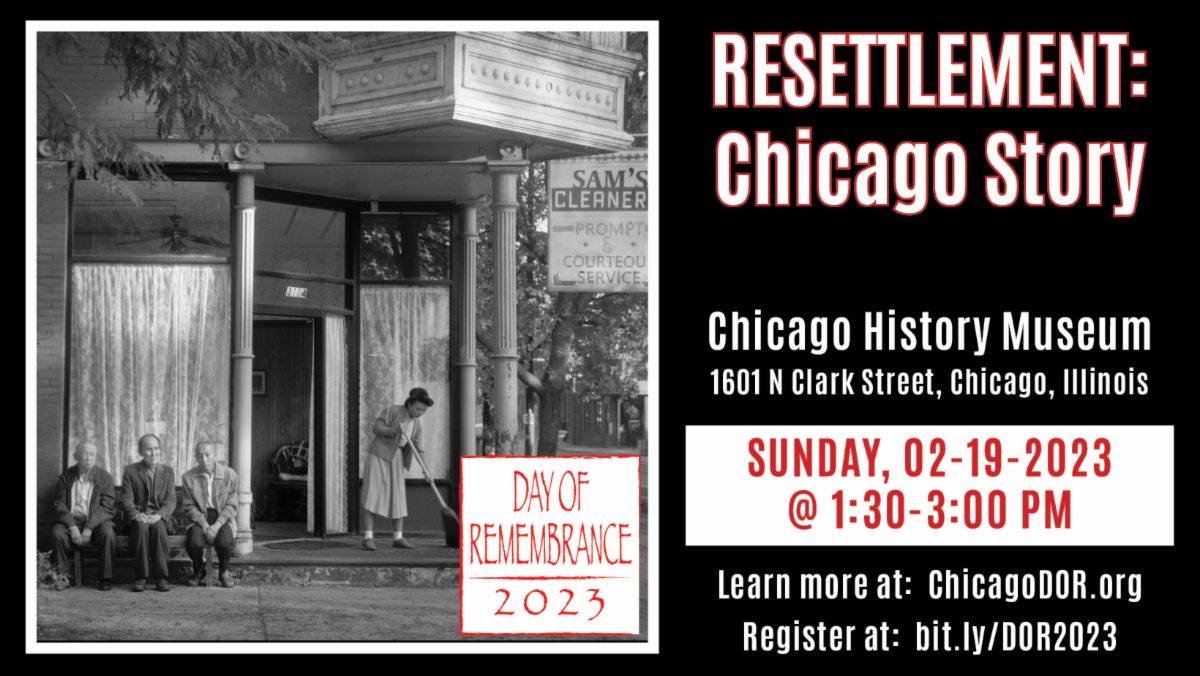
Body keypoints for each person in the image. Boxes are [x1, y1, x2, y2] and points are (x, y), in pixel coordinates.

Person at [361, 387, 434, 551]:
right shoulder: (393, 410)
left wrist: (426, 470)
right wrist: (395, 430)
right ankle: (368, 537)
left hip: (397, 458)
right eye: (418, 408)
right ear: (409, 404)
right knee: (372, 494)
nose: (420, 412)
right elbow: (376, 428)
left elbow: (419, 448)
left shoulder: (417, 425)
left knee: (398, 497)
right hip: (379, 454)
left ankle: (398, 538)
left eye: (423, 410)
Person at [50, 442, 116, 590]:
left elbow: (107, 506)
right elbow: (59, 504)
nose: (88, 457)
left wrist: (89, 527)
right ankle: (61, 578)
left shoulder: (104, 476)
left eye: (92, 454)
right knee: (57, 533)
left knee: (108, 533)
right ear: (75, 456)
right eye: (85, 453)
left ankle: (105, 578)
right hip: (71, 520)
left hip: (96, 521)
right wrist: (72, 527)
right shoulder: (66, 476)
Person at [119, 434, 176, 592]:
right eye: (149, 449)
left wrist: (159, 515)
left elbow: (171, 500)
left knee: (158, 527)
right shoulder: (130, 471)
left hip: (160, 517)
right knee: (141, 528)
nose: (154, 453)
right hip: (139, 517)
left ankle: (161, 577)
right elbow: (126, 500)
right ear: (140, 451)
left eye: (156, 448)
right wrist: (137, 515)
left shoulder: (168, 472)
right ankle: (141, 577)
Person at [180, 441, 238, 588]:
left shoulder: (229, 474)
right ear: (195, 457)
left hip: (222, 516)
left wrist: (217, 525)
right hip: (200, 517)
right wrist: (205, 525)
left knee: (224, 542)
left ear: (215, 455)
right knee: (193, 543)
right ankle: (199, 570)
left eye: (207, 455)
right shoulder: (188, 477)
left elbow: (231, 505)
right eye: (200, 456)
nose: (204, 460)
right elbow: (189, 506)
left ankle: (224, 571)